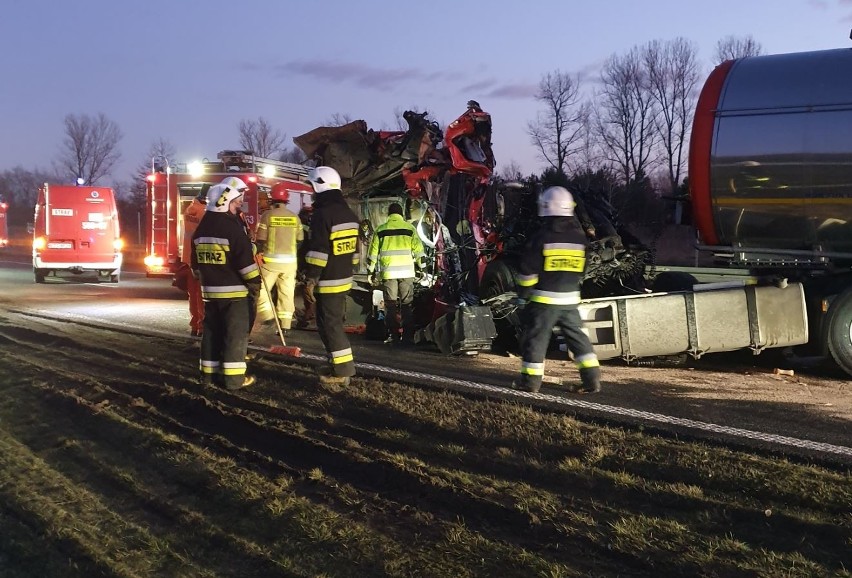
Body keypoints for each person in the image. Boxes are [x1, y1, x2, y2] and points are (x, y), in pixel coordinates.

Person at [513, 186, 601, 394]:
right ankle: (592, 381)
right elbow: (584, 268)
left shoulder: (542, 236)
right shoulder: (580, 238)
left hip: (544, 302)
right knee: (578, 339)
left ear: (546, 208)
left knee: (536, 339)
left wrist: (522, 297)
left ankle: (531, 383)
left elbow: (527, 272)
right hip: (570, 300)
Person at [191, 179, 261, 391]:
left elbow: (195, 266)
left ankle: (208, 376)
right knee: (234, 335)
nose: (237, 205)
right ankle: (233, 380)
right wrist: (255, 283)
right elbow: (246, 265)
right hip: (235, 295)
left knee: (211, 334)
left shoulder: (202, 229)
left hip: (210, 294)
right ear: (225, 202)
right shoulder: (231, 230)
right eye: (235, 202)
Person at [303, 166, 360, 386]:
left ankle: (342, 371)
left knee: (330, 326)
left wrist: (311, 278)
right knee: (330, 323)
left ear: (319, 186)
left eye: (312, 187)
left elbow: (318, 252)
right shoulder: (349, 214)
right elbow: (355, 253)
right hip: (344, 277)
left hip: (327, 280)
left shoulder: (322, 215)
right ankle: (336, 364)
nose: (312, 191)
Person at [366, 201, 425, 345]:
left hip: (389, 274)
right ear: (401, 214)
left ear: (389, 215)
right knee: (407, 305)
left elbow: (372, 254)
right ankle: (408, 337)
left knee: (391, 306)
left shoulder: (381, 230)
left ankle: (393, 335)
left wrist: (370, 272)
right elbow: (419, 251)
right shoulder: (409, 228)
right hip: (406, 273)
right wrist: (423, 269)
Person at [253, 182, 303, 336]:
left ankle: (267, 316)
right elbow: (300, 239)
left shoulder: (267, 216)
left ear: (271, 199)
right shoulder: (294, 217)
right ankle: (285, 326)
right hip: (290, 263)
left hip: (270, 263)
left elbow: (260, 240)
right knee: (287, 293)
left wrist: (259, 252)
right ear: (286, 200)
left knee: (261, 290)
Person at [182, 185, 209, 337]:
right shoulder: (204, 213)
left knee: (193, 294)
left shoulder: (190, 209)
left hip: (188, 257)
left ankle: (195, 325)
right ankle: (202, 327)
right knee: (203, 295)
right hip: (201, 258)